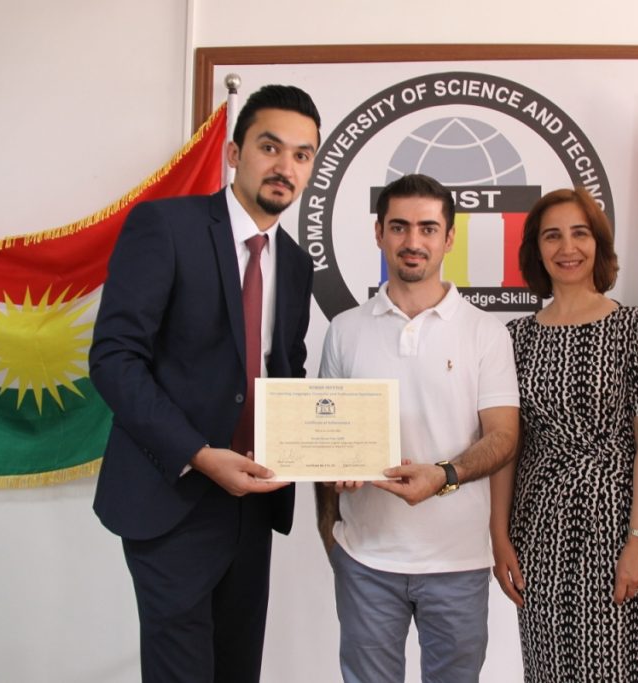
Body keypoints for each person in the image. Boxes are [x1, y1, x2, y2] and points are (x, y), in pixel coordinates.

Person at [90, 84, 320, 682]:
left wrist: (329, 451)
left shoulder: (297, 264)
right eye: (270, 147)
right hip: (173, 497)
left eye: (301, 155)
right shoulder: (166, 226)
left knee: (238, 670)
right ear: (235, 153)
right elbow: (114, 358)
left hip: (254, 505)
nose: (285, 166)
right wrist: (197, 453)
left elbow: (285, 372)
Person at [317, 173, 520, 683]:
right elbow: (324, 439)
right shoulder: (344, 330)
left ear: (449, 238)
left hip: (458, 562)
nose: (413, 241)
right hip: (365, 560)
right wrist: (330, 533)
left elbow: (503, 437)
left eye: (428, 228)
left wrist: (443, 476)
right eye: (399, 227)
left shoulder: (486, 332)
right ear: (379, 233)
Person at [490, 187, 638, 682]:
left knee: (616, 667)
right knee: (547, 668)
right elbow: (508, 448)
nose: (567, 248)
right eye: (552, 236)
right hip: (538, 530)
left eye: (579, 233)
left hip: (615, 527)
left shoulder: (635, 327)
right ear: (536, 249)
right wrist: (499, 536)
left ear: (598, 243)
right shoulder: (516, 338)